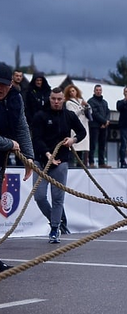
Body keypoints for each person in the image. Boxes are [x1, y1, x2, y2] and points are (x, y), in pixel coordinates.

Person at [28, 87, 86, 243]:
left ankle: (55, 229)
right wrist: (48, 155)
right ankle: (58, 219)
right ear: (49, 98)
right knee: (39, 196)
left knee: (58, 198)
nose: (56, 102)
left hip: (61, 162)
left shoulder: (69, 115)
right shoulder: (40, 115)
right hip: (42, 160)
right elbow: (37, 139)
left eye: (59, 99)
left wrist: (72, 140)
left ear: (63, 100)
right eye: (53, 99)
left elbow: (82, 132)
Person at [0, 62, 34, 271]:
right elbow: (12, 141)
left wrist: (28, 158)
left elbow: (21, 126)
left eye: (4, 85)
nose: (0, 89)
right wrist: (9, 144)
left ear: (11, 84)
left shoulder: (15, 99)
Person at [63, 84, 91, 167]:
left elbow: (90, 112)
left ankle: (83, 164)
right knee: (75, 145)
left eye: (73, 91)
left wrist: (87, 106)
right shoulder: (68, 102)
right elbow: (73, 114)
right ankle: (73, 164)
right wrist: (81, 108)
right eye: (70, 91)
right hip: (75, 125)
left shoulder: (81, 100)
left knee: (84, 146)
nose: (72, 93)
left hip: (84, 124)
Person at [87, 84, 111, 168]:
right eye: (97, 90)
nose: (98, 91)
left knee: (102, 145)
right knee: (93, 144)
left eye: (100, 90)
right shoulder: (91, 101)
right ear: (94, 91)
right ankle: (91, 162)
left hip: (104, 127)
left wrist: (106, 122)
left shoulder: (105, 102)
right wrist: (104, 121)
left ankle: (101, 162)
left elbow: (108, 112)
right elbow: (94, 113)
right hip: (94, 126)